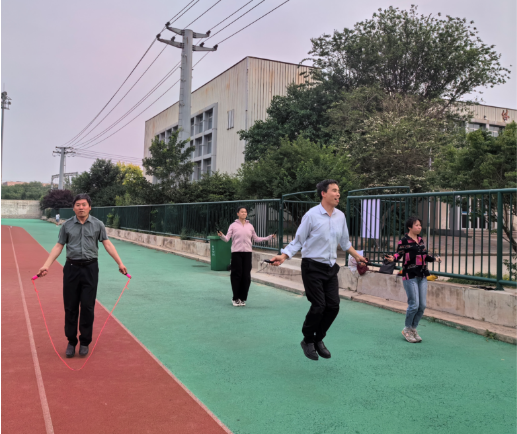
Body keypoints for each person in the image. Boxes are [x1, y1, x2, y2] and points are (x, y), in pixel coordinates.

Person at [269, 180, 367, 361]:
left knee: (333, 306)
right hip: (312, 267)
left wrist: (357, 256)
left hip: (330, 268)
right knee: (319, 306)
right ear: (323, 193)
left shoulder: (340, 216)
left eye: (339, 191)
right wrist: (283, 256)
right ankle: (307, 340)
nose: (338, 194)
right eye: (334, 190)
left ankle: (318, 339)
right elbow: (298, 240)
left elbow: (345, 242)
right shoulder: (311, 215)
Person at [37, 193, 128, 358]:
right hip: (71, 269)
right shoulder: (67, 225)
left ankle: (85, 342)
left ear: (89, 207)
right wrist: (46, 265)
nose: (81, 208)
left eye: (84, 204)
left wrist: (120, 263)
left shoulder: (98, 224)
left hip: (90, 269)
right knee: (70, 307)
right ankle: (71, 341)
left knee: (87, 306)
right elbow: (59, 246)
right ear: (73, 207)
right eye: (78, 205)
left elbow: (107, 244)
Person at [385, 216, 441, 343]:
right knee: (414, 305)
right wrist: (393, 258)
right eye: (417, 225)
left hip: (422, 275)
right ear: (410, 227)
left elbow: (424, 256)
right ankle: (407, 329)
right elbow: (398, 254)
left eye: (420, 225)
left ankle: (413, 329)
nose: (419, 227)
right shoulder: (404, 241)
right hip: (410, 276)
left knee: (422, 306)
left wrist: (435, 259)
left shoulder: (420, 240)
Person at [218, 206, 276, 307]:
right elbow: (227, 239)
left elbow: (256, 239)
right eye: (242, 212)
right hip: (236, 253)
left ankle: (242, 298)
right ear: (238, 213)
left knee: (246, 276)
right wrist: (221, 236)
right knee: (236, 275)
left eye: (245, 212)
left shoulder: (250, 226)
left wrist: (269, 237)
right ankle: (235, 298)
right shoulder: (233, 226)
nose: (244, 213)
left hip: (247, 253)